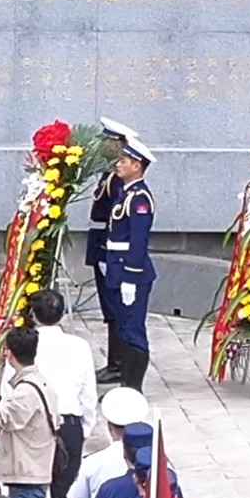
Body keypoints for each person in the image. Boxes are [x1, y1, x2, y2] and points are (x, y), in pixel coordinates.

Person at [24, 290, 100, 498]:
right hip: (69, 425)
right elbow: (88, 394)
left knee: (31, 495)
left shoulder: (26, 344)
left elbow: (11, 390)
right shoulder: (79, 347)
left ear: (34, 315)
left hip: (33, 426)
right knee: (63, 497)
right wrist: (83, 429)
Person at [87, 128, 157, 392]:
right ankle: (125, 383)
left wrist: (130, 276)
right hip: (118, 270)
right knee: (124, 330)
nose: (118, 164)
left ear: (136, 166)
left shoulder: (139, 199)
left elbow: (138, 242)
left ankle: (133, 389)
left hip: (131, 273)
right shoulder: (126, 194)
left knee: (133, 331)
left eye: (123, 161)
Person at [0, 326, 58, 498]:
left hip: (27, 473)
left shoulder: (26, 391)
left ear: (9, 354)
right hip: (32, 468)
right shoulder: (40, 382)